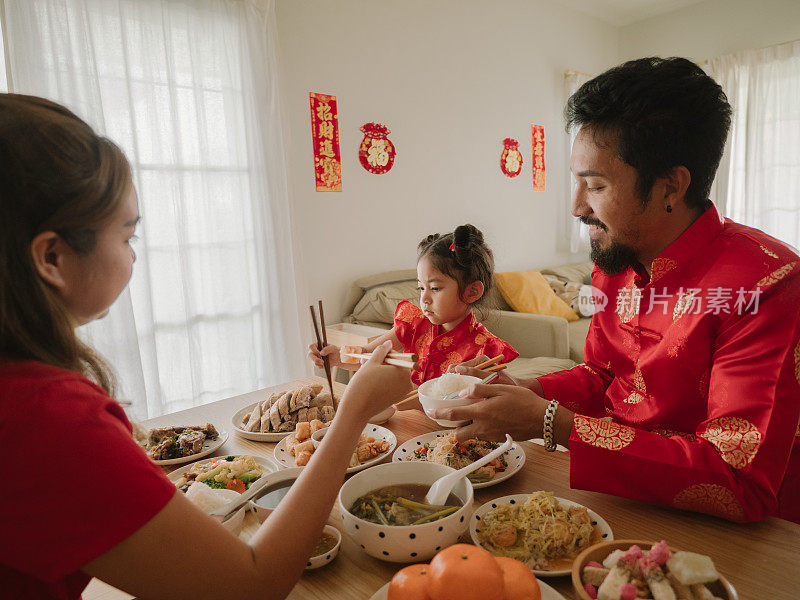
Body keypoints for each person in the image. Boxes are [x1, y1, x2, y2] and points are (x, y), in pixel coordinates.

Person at [0, 94, 411, 600]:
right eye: (127, 237)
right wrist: (353, 411)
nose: (133, 257)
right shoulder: (48, 419)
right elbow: (248, 586)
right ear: (52, 256)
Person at [435, 57, 800, 524]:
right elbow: (605, 376)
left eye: (596, 185)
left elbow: (739, 481)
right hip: (622, 496)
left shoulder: (765, 283)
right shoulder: (617, 261)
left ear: (670, 186)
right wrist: (522, 391)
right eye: (577, 182)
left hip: (732, 535)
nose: (575, 206)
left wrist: (552, 423)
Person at [309, 225, 519, 397]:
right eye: (421, 287)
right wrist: (336, 357)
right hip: (402, 420)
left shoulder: (485, 350)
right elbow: (368, 355)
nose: (424, 299)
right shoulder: (414, 323)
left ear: (472, 292)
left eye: (435, 288)